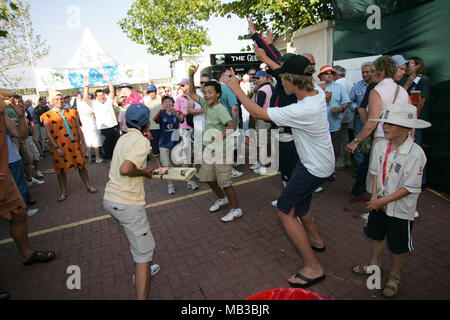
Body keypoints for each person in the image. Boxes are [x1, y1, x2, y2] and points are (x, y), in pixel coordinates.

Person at [224, 55, 333, 288]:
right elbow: (286, 71)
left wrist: (236, 88)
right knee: (301, 204)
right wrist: (264, 55)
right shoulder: (317, 93)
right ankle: (315, 239)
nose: (280, 82)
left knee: (284, 210)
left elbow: (257, 113)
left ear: (292, 81)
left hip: (313, 167)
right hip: (319, 163)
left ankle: (313, 267)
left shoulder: (302, 109)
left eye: (283, 78)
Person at [351, 103, 430, 298]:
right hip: (380, 205)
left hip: (400, 209)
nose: (385, 127)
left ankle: (395, 275)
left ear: (405, 128)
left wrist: (382, 200)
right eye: (385, 122)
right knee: (376, 235)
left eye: (391, 124)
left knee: (397, 244)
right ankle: (374, 265)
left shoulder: (415, 153)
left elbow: (409, 187)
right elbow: (377, 172)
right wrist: (375, 196)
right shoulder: (380, 145)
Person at [0, 90, 55, 299]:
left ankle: (26, 254)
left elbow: (21, 133)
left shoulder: (3, 116)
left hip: (5, 177)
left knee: (19, 214)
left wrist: (21, 113)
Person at [103, 103, 160, 300]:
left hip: (110, 200)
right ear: (147, 124)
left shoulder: (124, 138)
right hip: (127, 203)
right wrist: (145, 171)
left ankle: (143, 268)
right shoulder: (140, 142)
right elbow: (126, 169)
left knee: (136, 241)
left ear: (126, 122)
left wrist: (144, 141)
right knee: (144, 254)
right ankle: (142, 272)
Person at [346, 56, 410, 193]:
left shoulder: (377, 91)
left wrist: (356, 141)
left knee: (377, 176)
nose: (371, 74)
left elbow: (372, 121)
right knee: (393, 175)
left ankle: (376, 209)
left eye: (373, 71)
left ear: (382, 72)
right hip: (400, 139)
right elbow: (411, 118)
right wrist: (410, 138)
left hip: (382, 139)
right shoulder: (402, 90)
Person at [188, 66, 244, 222]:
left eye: (210, 92)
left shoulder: (220, 109)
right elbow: (192, 93)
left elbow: (231, 126)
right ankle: (222, 198)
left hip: (222, 150)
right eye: (205, 93)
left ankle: (236, 209)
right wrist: (191, 76)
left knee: (225, 182)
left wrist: (219, 136)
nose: (206, 95)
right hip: (209, 149)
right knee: (207, 178)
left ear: (218, 94)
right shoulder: (206, 106)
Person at [41, 91, 97, 202]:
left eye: (61, 98)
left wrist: (83, 142)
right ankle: (63, 191)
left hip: (74, 144)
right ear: (52, 101)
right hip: (59, 147)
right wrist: (56, 147)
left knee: (81, 166)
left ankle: (88, 185)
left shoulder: (71, 112)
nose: (59, 101)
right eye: (56, 99)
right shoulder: (47, 115)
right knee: (61, 170)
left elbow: (77, 127)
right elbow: (48, 133)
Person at [401, 56, 431, 186]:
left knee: (416, 151)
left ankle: (420, 181)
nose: (407, 66)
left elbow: (421, 102)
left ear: (418, 66)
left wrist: (414, 121)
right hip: (405, 121)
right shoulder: (406, 80)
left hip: (415, 123)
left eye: (410, 64)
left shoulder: (423, 81)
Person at [349, 62, 375, 201]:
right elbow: (350, 102)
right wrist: (357, 108)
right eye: (363, 72)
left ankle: (364, 178)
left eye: (368, 72)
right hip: (360, 121)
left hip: (374, 124)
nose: (365, 74)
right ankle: (360, 172)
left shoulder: (377, 86)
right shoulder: (357, 86)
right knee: (360, 148)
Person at [318, 65, 351, 170]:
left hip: (334, 124)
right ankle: (321, 171)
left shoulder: (339, 87)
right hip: (320, 126)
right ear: (321, 76)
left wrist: (341, 109)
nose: (329, 75)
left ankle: (331, 170)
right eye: (326, 73)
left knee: (334, 150)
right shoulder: (316, 88)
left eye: (331, 73)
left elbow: (346, 101)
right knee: (321, 150)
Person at [85, 75, 120, 162]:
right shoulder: (94, 103)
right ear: (96, 97)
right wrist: (86, 86)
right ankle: (110, 166)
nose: (101, 97)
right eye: (99, 95)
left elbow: (112, 91)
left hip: (114, 127)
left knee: (117, 147)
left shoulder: (108, 100)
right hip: (104, 129)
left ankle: (117, 165)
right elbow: (85, 98)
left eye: (102, 95)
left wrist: (108, 81)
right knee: (107, 151)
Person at [154, 95, 185, 194]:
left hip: (176, 140)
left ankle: (189, 180)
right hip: (163, 142)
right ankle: (170, 185)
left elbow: (181, 119)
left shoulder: (177, 112)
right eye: (165, 102)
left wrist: (175, 112)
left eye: (169, 101)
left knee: (184, 161)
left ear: (173, 102)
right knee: (165, 165)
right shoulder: (160, 113)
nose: (167, 103)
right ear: (162, 104)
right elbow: (154, 119)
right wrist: (159, 111)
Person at [218, 70, 243, 179]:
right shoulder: (228, 88)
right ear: (223, 76)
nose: (232, 78)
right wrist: (234, 122)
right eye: (230, 76)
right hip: (229, 122)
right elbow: (234, 107)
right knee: (230, 147)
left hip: (218, 122)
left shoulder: (214, 88)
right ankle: (230, 170)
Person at [251, 70, 274, 175]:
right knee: (270, 144)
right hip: (272, 118)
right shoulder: (272, 88)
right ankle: (267, 163)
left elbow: (257, 107)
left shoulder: (262, 90)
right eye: (255, 78)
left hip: (262, 119)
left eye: (258, 78)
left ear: (265, 77)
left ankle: (263, 166)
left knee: (262, 144)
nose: (255, 80)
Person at [334, 65, 354, 168]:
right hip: (348, 115)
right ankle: (347, 160)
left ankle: (340, 161)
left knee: (338, 140)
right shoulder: (350, 82)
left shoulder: (337, 84)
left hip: (338, 115)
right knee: (345, 138)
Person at [75, 92, 103, 163]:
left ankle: (90, 158)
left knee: (88, 142)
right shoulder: (88, 104)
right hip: (92, 125)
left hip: (85, 126)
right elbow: (95, 113)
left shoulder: (79, 104)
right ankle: (97, 158)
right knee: (95, 142)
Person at [144, 84, 163, 168]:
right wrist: (148, 131)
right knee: (155, 150)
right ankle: (159, 165)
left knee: (164, 148)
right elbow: (147, 119)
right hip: (152, 129)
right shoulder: (147, 104)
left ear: (155, 91)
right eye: (149, 92)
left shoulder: (161, 101)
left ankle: (166, 164)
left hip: (162, 128)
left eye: (152, 91)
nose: (151, 94)